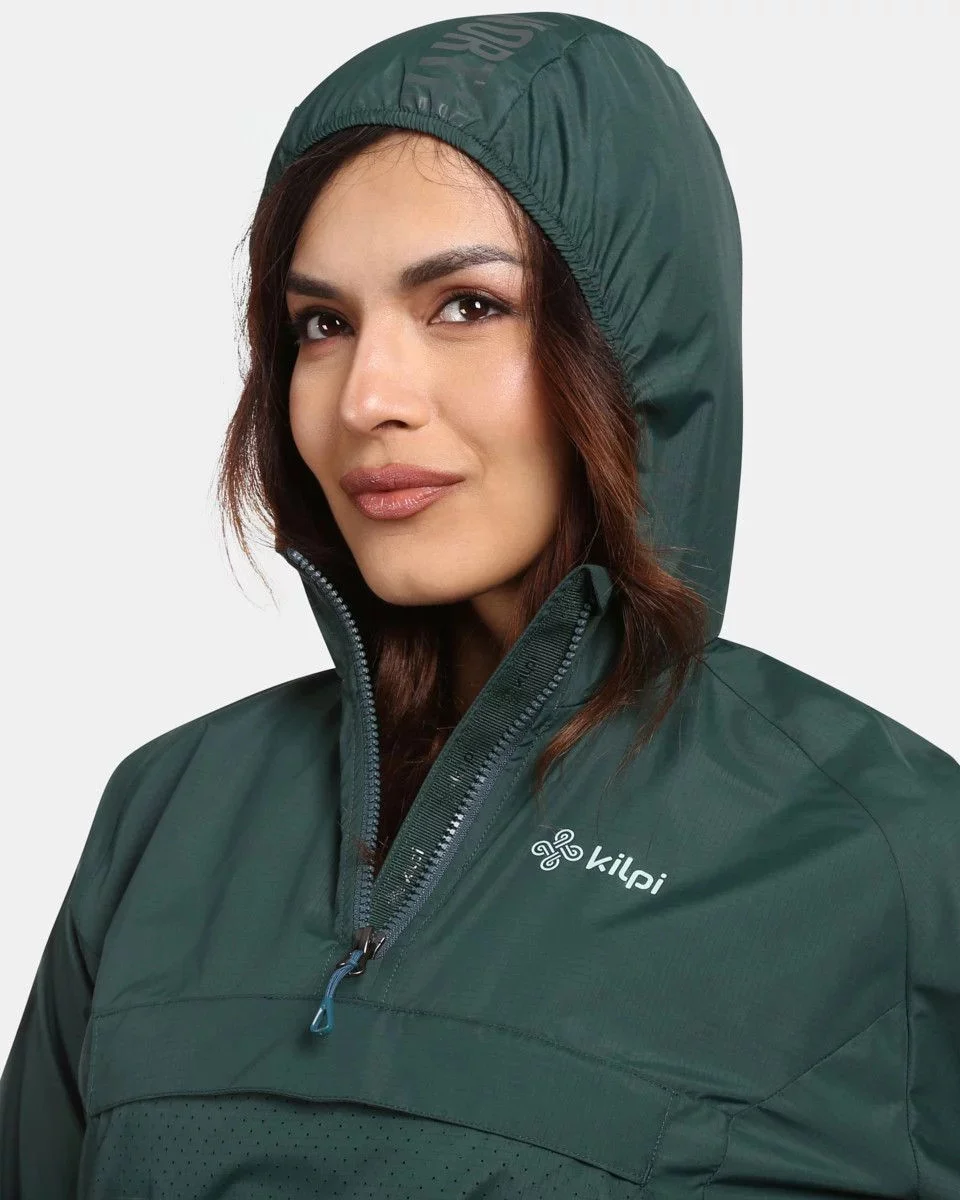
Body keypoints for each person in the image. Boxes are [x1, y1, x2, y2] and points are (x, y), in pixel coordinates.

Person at [2, 10, 957, 1198]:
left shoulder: (883, 861)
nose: (367, 397)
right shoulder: (171, 813)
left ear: (638, 351)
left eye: (465, 305)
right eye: (323, 324)